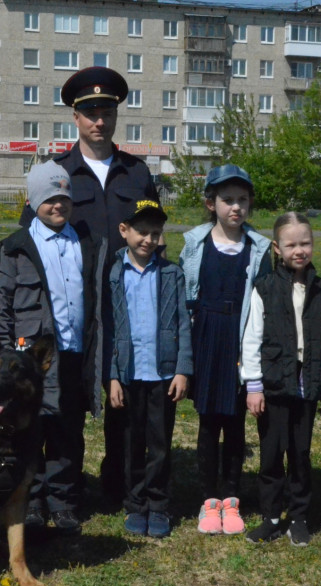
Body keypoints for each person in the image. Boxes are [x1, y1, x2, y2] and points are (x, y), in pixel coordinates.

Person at [18, 67, 159, 501]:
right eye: (90, 112)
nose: (99, 120)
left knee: (127, 401)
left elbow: (153, 234)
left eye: (107, 111)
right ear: (75, 118)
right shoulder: (57, 172)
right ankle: (64, 488)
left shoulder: (137, 173)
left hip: (128, 302)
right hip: (75, 310)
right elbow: (28, 242)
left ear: (116, 116)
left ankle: (120, 482)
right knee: (69, 401)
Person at [0, 161, 105, 534]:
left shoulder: (85, 244)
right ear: (33, 200)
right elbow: (1, 305)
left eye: (64, 198)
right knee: (31, 429)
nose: (58, 205)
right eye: (49, 199)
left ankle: (64, 501)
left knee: (68, 430)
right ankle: (32, 500)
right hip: (31, 362)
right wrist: (6, 362)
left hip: (74, 354)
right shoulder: (15, 247)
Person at [180, 164, 271, 536]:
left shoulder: (259, 248)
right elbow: (187, 297)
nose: (235, 207)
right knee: (208, 423)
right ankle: (208, 498)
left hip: (240, 336)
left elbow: (261, 302)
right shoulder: (194, 245)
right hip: (206, 336)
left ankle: (232, 498)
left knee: (234, 423)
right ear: (210, 203)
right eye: (227, 200)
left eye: (242, 200)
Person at [241, 213, 321, 545]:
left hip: (306, 384)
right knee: (271, 453)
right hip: (274, 384)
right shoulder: (264, 287)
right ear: (277, 248)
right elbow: (252, 337)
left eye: (305, 243)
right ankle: (271, 516)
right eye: (291, 244)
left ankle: (299, 516)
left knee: (301, 452)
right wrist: (253, 384)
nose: (299, 250)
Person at [109, 199, 192, 538]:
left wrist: (183, 369)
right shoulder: (114, 274)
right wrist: (113, 375)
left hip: (162, 374)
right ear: (124, 231)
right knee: (131, 443)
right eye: (142, 231)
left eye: (155, 233)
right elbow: (110, 329)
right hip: (129, 375)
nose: (148, 239)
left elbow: (184, 324)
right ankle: (135, 503)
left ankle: (158, 505)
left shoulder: (172, 274)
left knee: (159, 444)